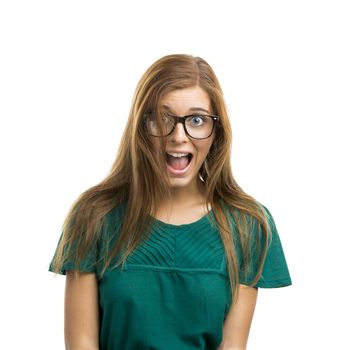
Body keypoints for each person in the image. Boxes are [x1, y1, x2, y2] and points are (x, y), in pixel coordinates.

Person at [49, 54, 292, 350]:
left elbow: (231, 346)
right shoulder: (94, 216)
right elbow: (82, 343)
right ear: (141, 127)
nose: (178, 136)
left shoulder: (248, 225)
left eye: (197, 120)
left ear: (216, 131)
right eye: (162, 118)